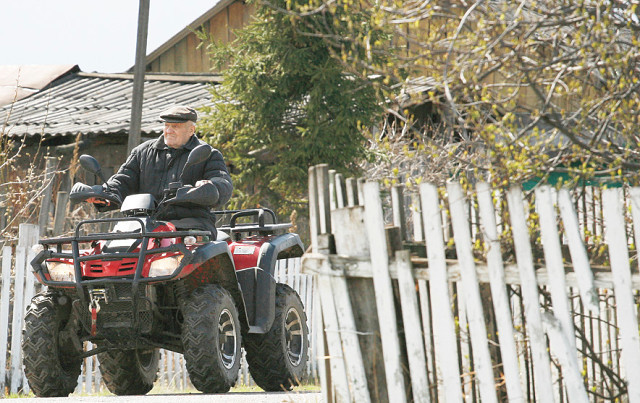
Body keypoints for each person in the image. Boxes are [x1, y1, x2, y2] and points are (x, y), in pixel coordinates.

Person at [85, 105, 232, 238]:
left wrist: (208, 187)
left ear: (191, 130)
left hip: (191, 225)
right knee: (111, 250)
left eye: (175, 126)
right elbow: (123, 180)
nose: (168, 130)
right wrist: (105, 195)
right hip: (144, 225)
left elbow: (223, 184)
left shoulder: (208, 154)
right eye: (167, 125)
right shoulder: (142, 152)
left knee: (192, 255)